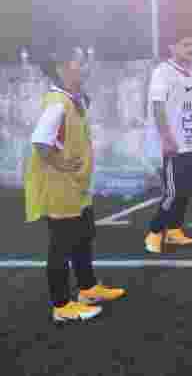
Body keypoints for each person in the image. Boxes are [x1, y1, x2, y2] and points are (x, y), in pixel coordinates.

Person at [27, 46, 125, 323]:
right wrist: (60, 165)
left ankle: (88, 288)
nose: (84, 67)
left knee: (83, 238)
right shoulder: (58, 102)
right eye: (79, 63)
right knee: (61, 246)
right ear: (61, 67)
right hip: (61, 189)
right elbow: (40, 141)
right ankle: (61, 305)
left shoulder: (72, 99)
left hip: (77, 188)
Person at [145, 33, 192, 254]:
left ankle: (173, 230)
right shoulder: (163, 71)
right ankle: (154, 232)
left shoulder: (190, 74)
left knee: (186, 191)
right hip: (175, 144)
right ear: (172, 48)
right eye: (185, 44)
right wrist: (166, 137)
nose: (191, 48)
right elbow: (158, 106)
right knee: (173, 192)